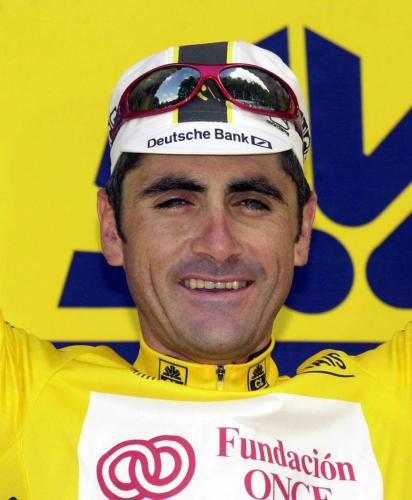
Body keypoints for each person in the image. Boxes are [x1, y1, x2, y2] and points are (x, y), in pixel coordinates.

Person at [0, 41, 410, 500]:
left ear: (302, 229)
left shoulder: (392, 409)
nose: (218, 245)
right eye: (175, 202)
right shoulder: (26, 402)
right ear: (112, 228)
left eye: (252, 202)